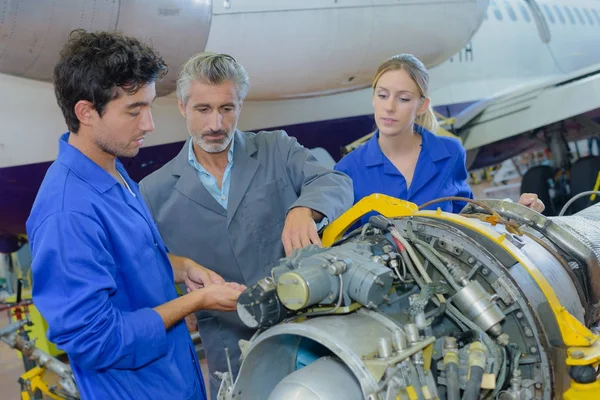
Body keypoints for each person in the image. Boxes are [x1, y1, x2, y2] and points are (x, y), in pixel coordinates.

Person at [26, 30, 245, 400]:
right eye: (134, 110)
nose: (149, 125)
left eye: (149, 107)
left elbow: (126, 259)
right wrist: (194, 302)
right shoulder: (67, 213)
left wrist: (180, 266)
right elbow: (97, 341)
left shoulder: (112, 170)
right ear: (86, 112)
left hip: (175, 379)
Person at [139, 52, 354, 398]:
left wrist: (305, 208)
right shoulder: (153, 191)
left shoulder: (276, 149)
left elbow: (335, 182)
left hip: (309, 334)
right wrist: (177, 296)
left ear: (241, 104)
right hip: (231, 353)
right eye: (203, 109)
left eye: (227, 109)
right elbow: (149, 263)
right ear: (182, 107)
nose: (216, 124)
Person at [334, 54, 544, 227]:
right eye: (382, 95)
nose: (389, 107)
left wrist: (515, 214)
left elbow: (467, 219)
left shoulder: (450, 153)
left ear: (422, 105)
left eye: (403, 98)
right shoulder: (347, 170)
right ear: (373, 99)